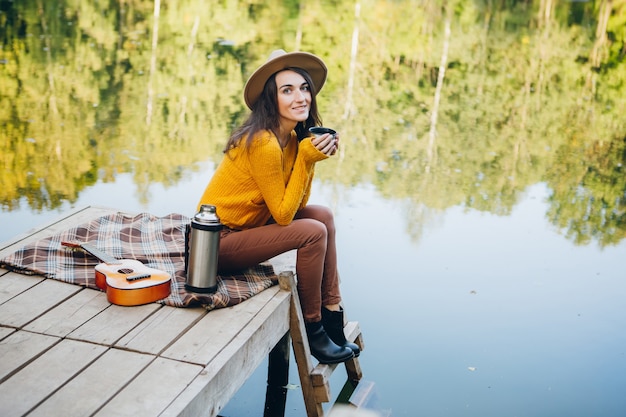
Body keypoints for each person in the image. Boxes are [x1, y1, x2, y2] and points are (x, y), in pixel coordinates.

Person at [197, 49, 359, 364]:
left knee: (322, 215)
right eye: (287, 90)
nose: (301, 97)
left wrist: (308, 158)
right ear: (272, 100)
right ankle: (314, 329)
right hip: (217, 244)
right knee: (312, 231)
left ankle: (332, 312)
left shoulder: (288, 139)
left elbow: (297, 202)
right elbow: (284, 217)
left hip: (250, 230)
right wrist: (308, 158)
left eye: (304, 88)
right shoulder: (264, 143)